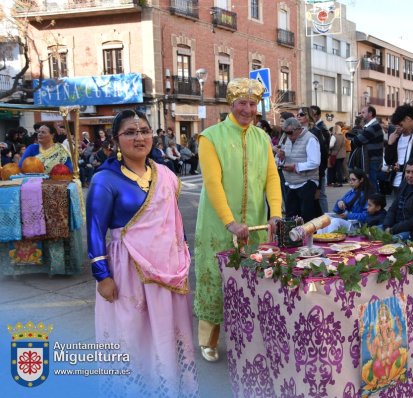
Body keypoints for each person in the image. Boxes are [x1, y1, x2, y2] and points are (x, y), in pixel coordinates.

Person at [86, 110, 199, 396]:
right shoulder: (104, 180)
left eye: (145, 131)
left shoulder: (166, 175)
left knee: (168, 334)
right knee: (133, 335)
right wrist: (102, 276)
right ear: (115, 140)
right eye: (131, 132)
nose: (140, 137)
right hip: (128, 271)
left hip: (168, 274)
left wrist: (182, 260)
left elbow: (173, 224)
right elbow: (95, 230)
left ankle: (171, 388)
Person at [194, 78, 282, 362]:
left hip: (255, 224)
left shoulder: (262, 138)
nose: (247, 109)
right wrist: (229, 222)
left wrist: (276, 213)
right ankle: (208, 340)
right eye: (242, 103)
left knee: (252, 282)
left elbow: (271, 176)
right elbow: (212, 182)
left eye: (252, 104)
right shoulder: (210, 137)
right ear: (231, 104)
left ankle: (250, 339)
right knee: (215, 281)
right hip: (219, 225)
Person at [280, 117, 321, 222]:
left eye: (290, 133)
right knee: (291, 216)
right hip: (292, 183)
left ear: (298, 129)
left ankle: (310, 238)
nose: (288, 136)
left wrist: (296, 167)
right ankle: (293, 238)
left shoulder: (310, 139)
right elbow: (284, 158)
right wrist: (281, 157)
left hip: (306, 182)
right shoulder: (288, 139)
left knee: (306, 216)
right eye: (286, 133)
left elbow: (315, 162)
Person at [347, 105, 384, 191]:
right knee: (370, 184)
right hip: (371, 159)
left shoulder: (373, 127)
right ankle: (372, 202)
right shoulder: (369, 126)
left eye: (363, 112)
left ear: (370, 114)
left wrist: (356, 134)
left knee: (371, 184)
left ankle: (375, 203)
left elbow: (357, 141)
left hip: (372, 160)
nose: (361, 115)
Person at [328, 121, 346, 187]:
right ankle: (340, 181)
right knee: (340, 169)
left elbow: (331, 145)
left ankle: (337, 182)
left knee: (335, 169)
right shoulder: (342, 136)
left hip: (335, 154)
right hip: (342, 155)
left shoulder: (334, 136)